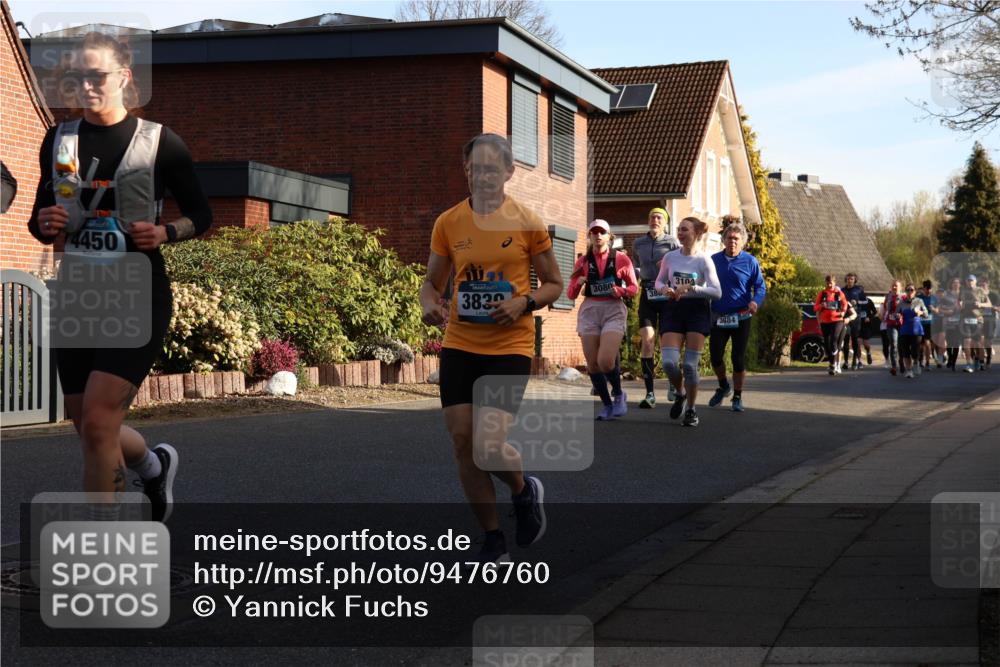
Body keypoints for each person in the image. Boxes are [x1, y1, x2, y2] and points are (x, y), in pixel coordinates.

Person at [29, 32, 212, 522]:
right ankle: (152, 467)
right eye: (77, 77)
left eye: (97, 75)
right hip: (77, 297)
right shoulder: (60, 139)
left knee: (98, 420)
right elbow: (40, 217)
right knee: (86, 424)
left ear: (124, 78)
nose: (86, 85)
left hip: (136, 294)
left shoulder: (160, 143)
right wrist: (45, 223)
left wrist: (166, 231)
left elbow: (201, 214)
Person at [420, 133, 562, 564]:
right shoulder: (448, 223)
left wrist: (524, 301)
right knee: (463, 442)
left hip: (509, 346)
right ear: (466, 172)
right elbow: (432, 284)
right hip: (461, 343)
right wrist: (430, 305)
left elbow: (554, 283)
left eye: (490, 169)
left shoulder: (527, 221)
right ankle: (493, 538)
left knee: (488, 444)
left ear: (508, 172)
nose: (482, 176)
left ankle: (523, 490)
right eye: (474, 169)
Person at [567, 219, 638, 420]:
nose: (598, 236)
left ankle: (618, 394)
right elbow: (570, 295)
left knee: (605, 361)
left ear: (609, 236)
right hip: (590, 310)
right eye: (594, 232)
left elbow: (634, 287)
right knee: (593, 365)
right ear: (589, 236)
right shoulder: (582, 261)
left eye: (602, 232)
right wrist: (578, 283)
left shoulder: (621, 259)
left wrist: (621, 290)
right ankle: (606, 405)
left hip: (613, 309)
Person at [654, 216, 721, 427]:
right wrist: (664, 289)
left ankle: (691, 410)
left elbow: (717, 291)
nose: (680, 233)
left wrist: (692, 288)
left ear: (696, 233)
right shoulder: (670, 258)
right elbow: (659, 280)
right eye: (678, 229)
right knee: (669, 363)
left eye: (684, 229)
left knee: (690, 367)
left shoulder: (704, 260)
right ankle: (681, 392)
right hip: (674, 309)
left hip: (697, 311)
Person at [707, 220, 765, 412]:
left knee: (737, 358)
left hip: (741, 316)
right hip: (719, 315)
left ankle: (738, 397)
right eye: (729, 238)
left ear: (743, 242)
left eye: (736, 239)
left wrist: (755, 301)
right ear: (723, 240)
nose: (732, 241)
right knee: (715, 356)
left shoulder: (750, 261)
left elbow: (760, 286)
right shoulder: (713, 260)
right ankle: (724, 386)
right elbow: (702, 280)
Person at [632, 207, 678, 408]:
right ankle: (650, 393)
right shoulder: (638, 243)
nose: (655, 220)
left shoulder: (672, 242)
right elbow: (634, 265)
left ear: (665, 222)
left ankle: (672, 384)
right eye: (652, 217)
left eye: (659, 217)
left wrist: (667, 266)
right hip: (648, 295)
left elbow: (680, 266)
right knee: (648, 341)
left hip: (667, 296)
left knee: (667, 343)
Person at [814, 275, 849, 375]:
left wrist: (843, 311)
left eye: (831, 283)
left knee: (834, 339)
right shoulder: (822, 294)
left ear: (835, 283)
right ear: (826, 283)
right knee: (827, 343)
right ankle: (831, 363)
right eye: (828, 283)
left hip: (837, 320)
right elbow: (815, 308)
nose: (830, 284)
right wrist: (822, 305)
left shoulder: (839, 293)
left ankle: (834, 364)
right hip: (825, 321)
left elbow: (845, 304)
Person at [959, 274, 989, 373]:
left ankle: (980, 361)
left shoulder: (980, 290)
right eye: (968, 280)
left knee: (978, 344)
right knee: (967, 342)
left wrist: (981, 304)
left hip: (978, 320)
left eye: (972, 280)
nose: (970, 282)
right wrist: (959, 305)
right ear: (966, 281)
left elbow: (989, 304)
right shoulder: (962, 291)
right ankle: (968, 364)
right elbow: (958, 302)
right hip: (965, 319)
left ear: (975, 281)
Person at [898, 284, 927, 378]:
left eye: (912, 290)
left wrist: (920, 312)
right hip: (905, 330)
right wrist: (897, 316)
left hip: (916, 330)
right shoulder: (901, 302)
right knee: (905, 351)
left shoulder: (919, 301)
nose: (910, 292)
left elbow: (926, 314)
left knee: (915, 351)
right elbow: (895, 314)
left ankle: (916, 362)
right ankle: (909, 370)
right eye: (908, 290)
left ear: (915, 291)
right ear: (905, 292)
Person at [841, 273, 868, 369]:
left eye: (851, 279)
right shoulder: (842, 290)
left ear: (855, 280)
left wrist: (857, 302)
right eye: (848, 279)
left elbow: (866, 302)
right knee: (846, 338)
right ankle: (846, 362)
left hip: (856, 316)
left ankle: (854, 362)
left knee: (855, 339)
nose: (849, 280)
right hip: (846, 317)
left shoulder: (859, 290)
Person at [940, 277, 965, 371]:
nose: (955, 284)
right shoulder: (946, 294)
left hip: (959, 323)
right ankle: (950, 358)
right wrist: (948, 311)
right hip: (948, 322)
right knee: (949, 343)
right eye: (954, 282)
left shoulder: (962, 295)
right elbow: (940, 308)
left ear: (960, 285)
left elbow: (964, 308)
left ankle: (953, 362)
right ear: (951, 284)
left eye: (957, 283)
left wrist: (961, 307)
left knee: (956, 343)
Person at [880, 281, 904, 376]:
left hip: (902, 324)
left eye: (896, 286)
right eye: (893, 285)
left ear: (900, 287)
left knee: (901, 345)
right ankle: (894, 366)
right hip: (891, 323)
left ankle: (901, 361)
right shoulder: (888, 296)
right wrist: (882, 315)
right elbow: (885, 308)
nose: (894, 287)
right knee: (893, 343)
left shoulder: (904, 297)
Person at [919, 280, 942, 369]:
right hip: (920, 323)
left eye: (930, 289)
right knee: (920, 345)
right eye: (927, 288)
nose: (929, 290)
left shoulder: (935, 298)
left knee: (928, 343)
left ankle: (928, 362)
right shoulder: (919, 298)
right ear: (923, 288)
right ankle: (920, 359)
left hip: (930, 324)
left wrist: (934, 309)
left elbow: (939, 310)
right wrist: (920, 311)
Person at [980, 276, 997, 370]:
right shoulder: (977, 295)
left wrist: (992, 307)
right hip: (980, 320)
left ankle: (988, 359)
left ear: (988, 284)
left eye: (984, 283)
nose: (982, 285)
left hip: (990, 321)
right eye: (981, 284)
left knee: (988, 342)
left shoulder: (994, 295)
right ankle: (981, 361)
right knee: (980, 341)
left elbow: (999, 308)